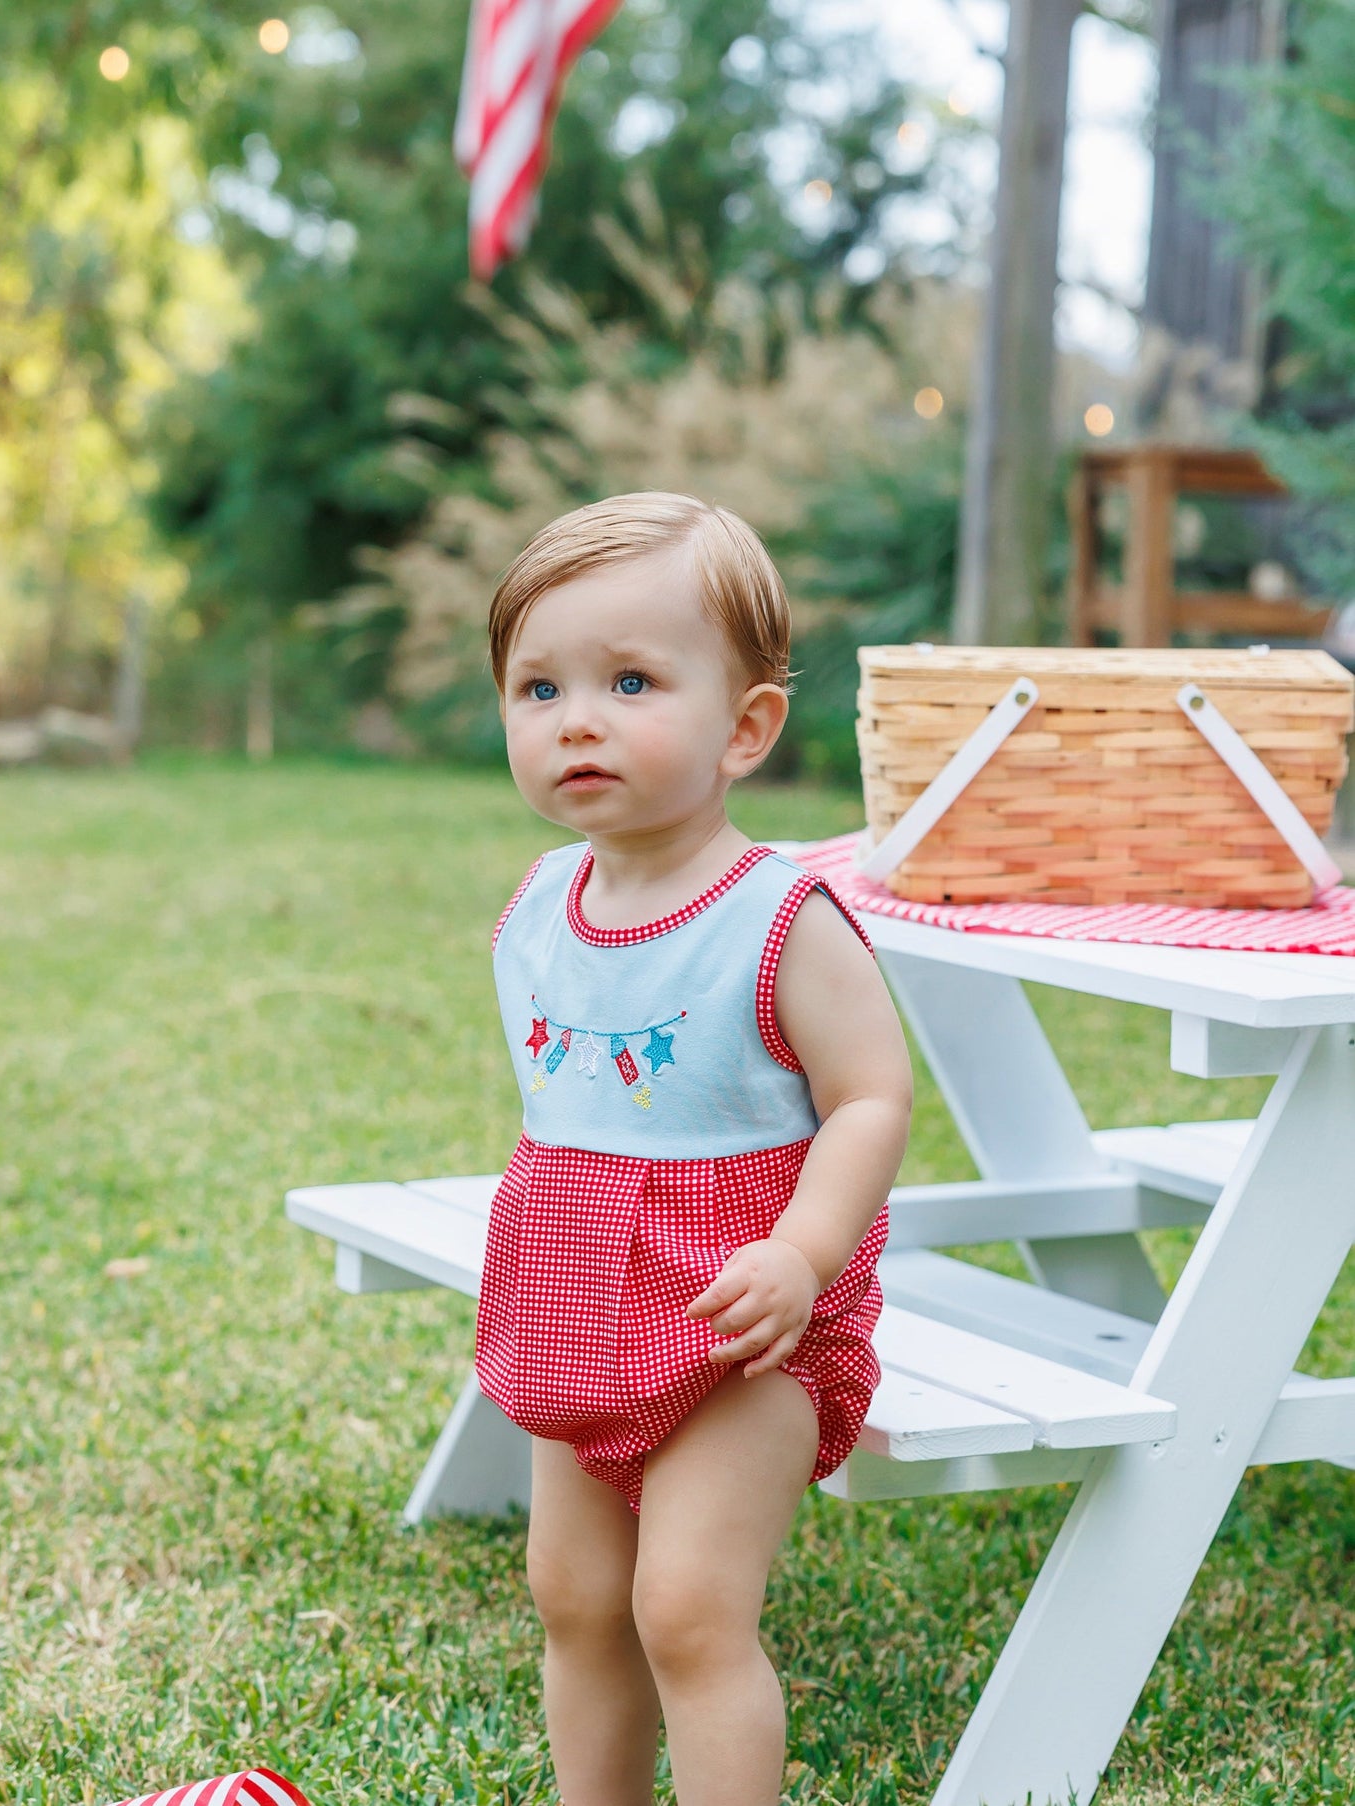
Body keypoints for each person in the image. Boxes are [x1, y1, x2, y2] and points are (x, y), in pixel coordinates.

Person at [475, 490, 913, 1806]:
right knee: (574, 1594)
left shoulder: (778, 916)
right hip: (576, 1310)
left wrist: (802, 1250)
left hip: (740, 1321)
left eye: (628, 680)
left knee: (685, 1606)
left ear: (746, 727)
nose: (576, 718)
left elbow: (870, 1099)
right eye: (536, 686)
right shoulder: (541, 904)